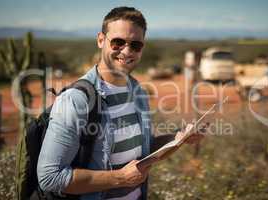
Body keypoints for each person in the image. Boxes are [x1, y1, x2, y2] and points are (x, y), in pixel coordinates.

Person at [37, 6, 204, 200]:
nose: (126, 50)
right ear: (101, 40)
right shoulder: (75, 100)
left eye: (136, 45)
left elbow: (143, 151)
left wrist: (179, 138)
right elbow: (50, 177)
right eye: (118, 42)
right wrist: (119, 178)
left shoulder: (138, 92)